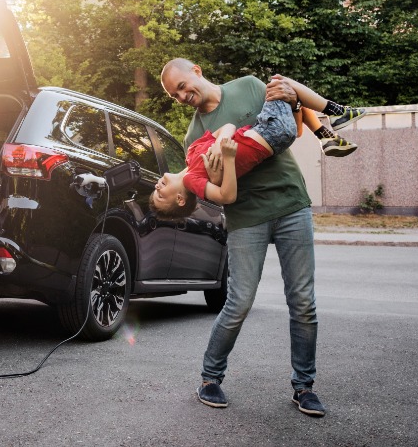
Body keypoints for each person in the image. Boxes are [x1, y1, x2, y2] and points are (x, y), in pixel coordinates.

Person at [160, 57, 328, 417]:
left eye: (183, 86)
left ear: (197, 72)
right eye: (176, 95)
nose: (183, 95)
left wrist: (291, 106)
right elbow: (219, 187)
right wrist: (227, 159)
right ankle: (210, 377)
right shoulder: (193, 136)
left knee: (303, 301)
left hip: (289, 202)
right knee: (238, 302)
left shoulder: (249, 86)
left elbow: (290, 130)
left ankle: (304, 387)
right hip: (246, 216)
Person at [151, 81, 364, 217]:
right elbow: (227, 196)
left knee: (287, 93)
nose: (157, 188)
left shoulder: (192, 152)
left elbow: (228, 126)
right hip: (272, 134)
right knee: (279, 83)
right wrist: (227, 157)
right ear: (180, 199)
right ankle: (335, 113)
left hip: (266, 127)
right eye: (160, 196)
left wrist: (220, 142)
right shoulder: (192, 182)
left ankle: (326, 134)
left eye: (154, 191)